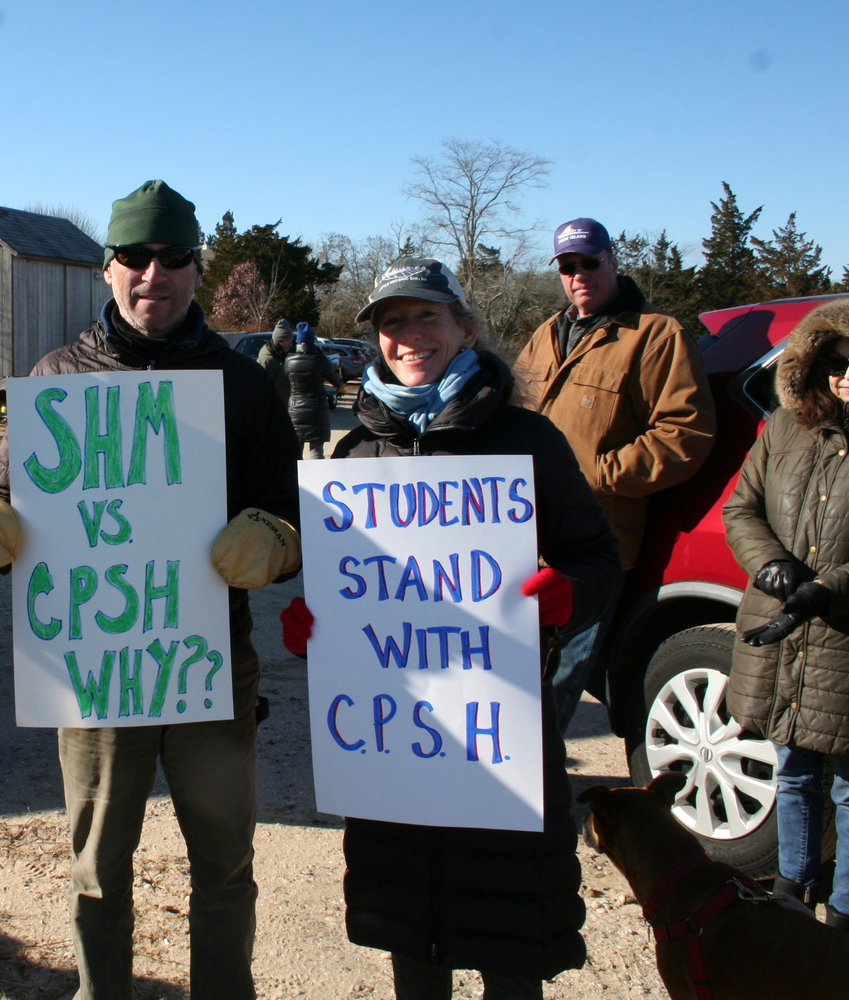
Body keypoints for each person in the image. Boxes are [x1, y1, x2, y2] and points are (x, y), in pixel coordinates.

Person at [0, 180, 301, 1000]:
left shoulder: (243, 384)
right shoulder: (57, 376)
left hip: (210, 668)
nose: (155, 275)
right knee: (99, 870)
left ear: (195, 270)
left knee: (224, 867)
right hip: (95, 676)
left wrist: (276, 541)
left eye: (173, 258)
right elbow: (4, 492)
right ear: (108, 270)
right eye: (136, 259)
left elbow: (292, 512)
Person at [280, 258, 622, 999]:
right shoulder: (354, 454)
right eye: (392, 322)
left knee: (509, 944)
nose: (409, 335)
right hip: (395, 746)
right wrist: (317, 626)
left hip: (501, 735)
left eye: (426, 316)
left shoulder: (526, 439)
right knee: (413, 938)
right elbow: (346, 594)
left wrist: (569, 595)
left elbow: (598, 557)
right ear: (375, 339)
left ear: (463, 325)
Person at [722, 297, 849, 939]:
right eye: (835, 361)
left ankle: (847, 922)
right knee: (792, 771)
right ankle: (791, 898)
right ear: (813, 363)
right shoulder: (784, 427)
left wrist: (829, 590)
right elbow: (740, 510)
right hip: (782, 631)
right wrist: (770, 565)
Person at [512, 218, 715, 732]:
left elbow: (684, 434)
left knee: (554, 688)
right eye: (567, 266)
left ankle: (542, 800)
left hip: (591, 549)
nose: (579, 274)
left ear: (613, 261)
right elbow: (512, 415)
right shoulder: (544, 335)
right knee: (511, 683)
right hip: (520, 540)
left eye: (589, 262)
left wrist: (596, 475)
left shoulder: (656, 334)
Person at [286, 322, 343, 459]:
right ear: (313, 341)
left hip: (296, 408)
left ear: (298, 343)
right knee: (316, 450)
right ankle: (317, 478)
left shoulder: (289, 361)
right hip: (317, 408)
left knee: (296, 451)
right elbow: (337, 381)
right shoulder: (320, 360)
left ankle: (296, 479)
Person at [257, 319, 294, 403]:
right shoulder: (266, 361)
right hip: (273, 411)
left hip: (283, 408)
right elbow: (261, 391)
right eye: (288, 341)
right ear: (279, 341)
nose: (290, 344)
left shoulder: (281, 357)